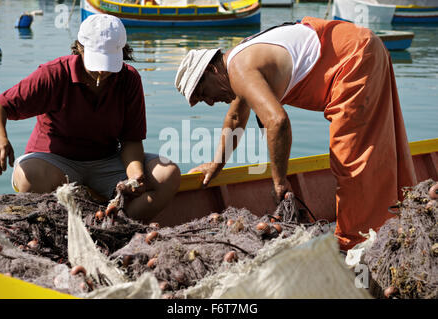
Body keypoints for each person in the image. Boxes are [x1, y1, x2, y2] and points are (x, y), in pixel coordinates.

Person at [174, 16, 417, 250]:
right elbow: (236, 117)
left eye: (203, 94)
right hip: (361, 46)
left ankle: (352, 243)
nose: (209, 102)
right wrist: (217, 164)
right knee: (382, 141)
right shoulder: (238, 61)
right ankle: (400, 216)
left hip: (353, 59)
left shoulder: (239, 70)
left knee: (349, 158)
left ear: (212, 72)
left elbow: (277, 122)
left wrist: (279, 181)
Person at [0, 14, 180, 223]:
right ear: (79, 47)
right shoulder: (53, 74)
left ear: (122, 52)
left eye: (108, 64)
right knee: (29, 176)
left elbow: (131, 140)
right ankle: (56, 229)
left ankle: (118, 225)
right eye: (96, 61)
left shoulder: (129, 79)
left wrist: (135, 176)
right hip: (54, 162)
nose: (101, 71)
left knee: (167, 174)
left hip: (106, 161)